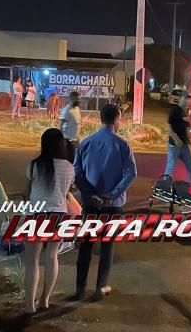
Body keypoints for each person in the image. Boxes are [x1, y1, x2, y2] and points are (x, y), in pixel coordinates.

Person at [72, 104, 137, 302]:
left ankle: (79, 288)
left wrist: (89, 194)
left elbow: (77, 172)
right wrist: (111, 195)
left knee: (86, 246)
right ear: (116, 119)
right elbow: (131, 173)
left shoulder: (86, 143)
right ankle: (100, 288)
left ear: (101, 118)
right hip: (113, 205)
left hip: (90, 205)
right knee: (107, 247)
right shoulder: (122, 145)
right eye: (120, 119)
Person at [24, 128, 74, 315]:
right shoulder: (69, 167)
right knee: (52, 257)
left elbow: (27, 192)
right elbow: (67, 192)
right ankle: (45, 299)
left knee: (32, 261)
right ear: (61, 145)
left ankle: (29, 304)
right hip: (59, 215)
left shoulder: (34, 165)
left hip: (37, 215)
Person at [164, 90, 191, 184]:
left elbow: (185, 129)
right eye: (185, 98)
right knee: (170, 168)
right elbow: (169, 127)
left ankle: (190, 188)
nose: (187, 101)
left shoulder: (185, 112)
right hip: (174, 146)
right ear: (180, 99)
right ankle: (166, 188)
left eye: (189, 99)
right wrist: (176, 139)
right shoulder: (174, 111)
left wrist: (190, 144)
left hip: (185, 146)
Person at [60, 91, 81, 162]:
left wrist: (78, 137)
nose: (78, 100)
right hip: (68, 141)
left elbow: (77, 124)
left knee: (75, 161)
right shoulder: (67, 110)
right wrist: (62, 139)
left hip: (75, 141)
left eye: (78, 99)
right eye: (76, 99)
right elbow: (61, 125)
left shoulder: (77, 109)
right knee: (70, 161)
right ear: (71, 99)